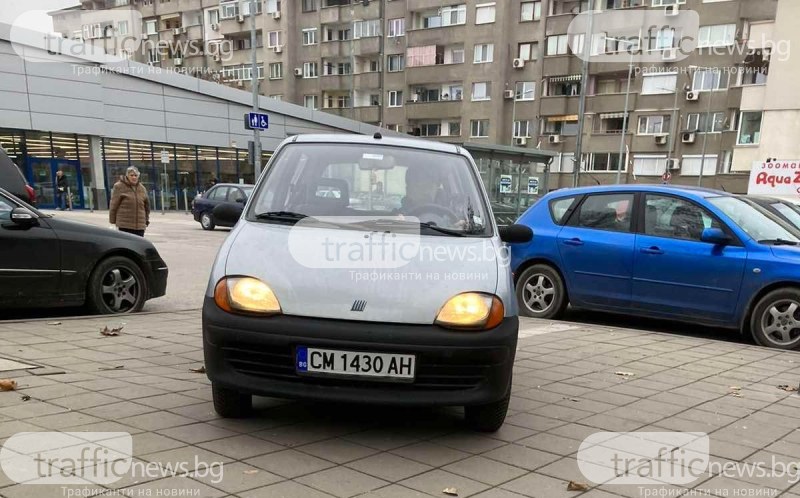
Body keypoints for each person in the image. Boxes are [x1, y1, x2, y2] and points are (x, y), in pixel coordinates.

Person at [109, 166, 150, 237]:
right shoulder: (119, 186)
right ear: (127, 176)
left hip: (139, 225)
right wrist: (112, 220)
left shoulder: (142, 188)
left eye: (135, 175)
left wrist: (146, 220)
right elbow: (114, 204)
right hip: (125, 225)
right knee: (126, 245)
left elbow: (147, 206)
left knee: (138, 245)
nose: (134, 177)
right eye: (131, 175)